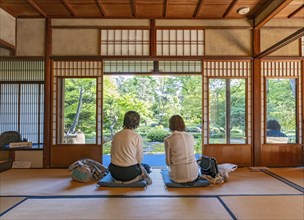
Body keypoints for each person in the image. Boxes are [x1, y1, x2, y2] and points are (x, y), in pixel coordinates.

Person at [108, 110, 152, 185]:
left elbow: (112, 155)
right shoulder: (136, 137)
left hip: (114, 172)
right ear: (137, 122)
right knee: (145, 167)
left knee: (142, 167)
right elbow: (139, 160)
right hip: (130, 173)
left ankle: (121, 180)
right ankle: (138, 178)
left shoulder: (116, 135)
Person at [164, 115, 199, 184]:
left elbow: (168, 162)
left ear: (170, 125)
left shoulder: (168, 139)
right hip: (194, 174)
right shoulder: (191, 136)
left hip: (178, 177)